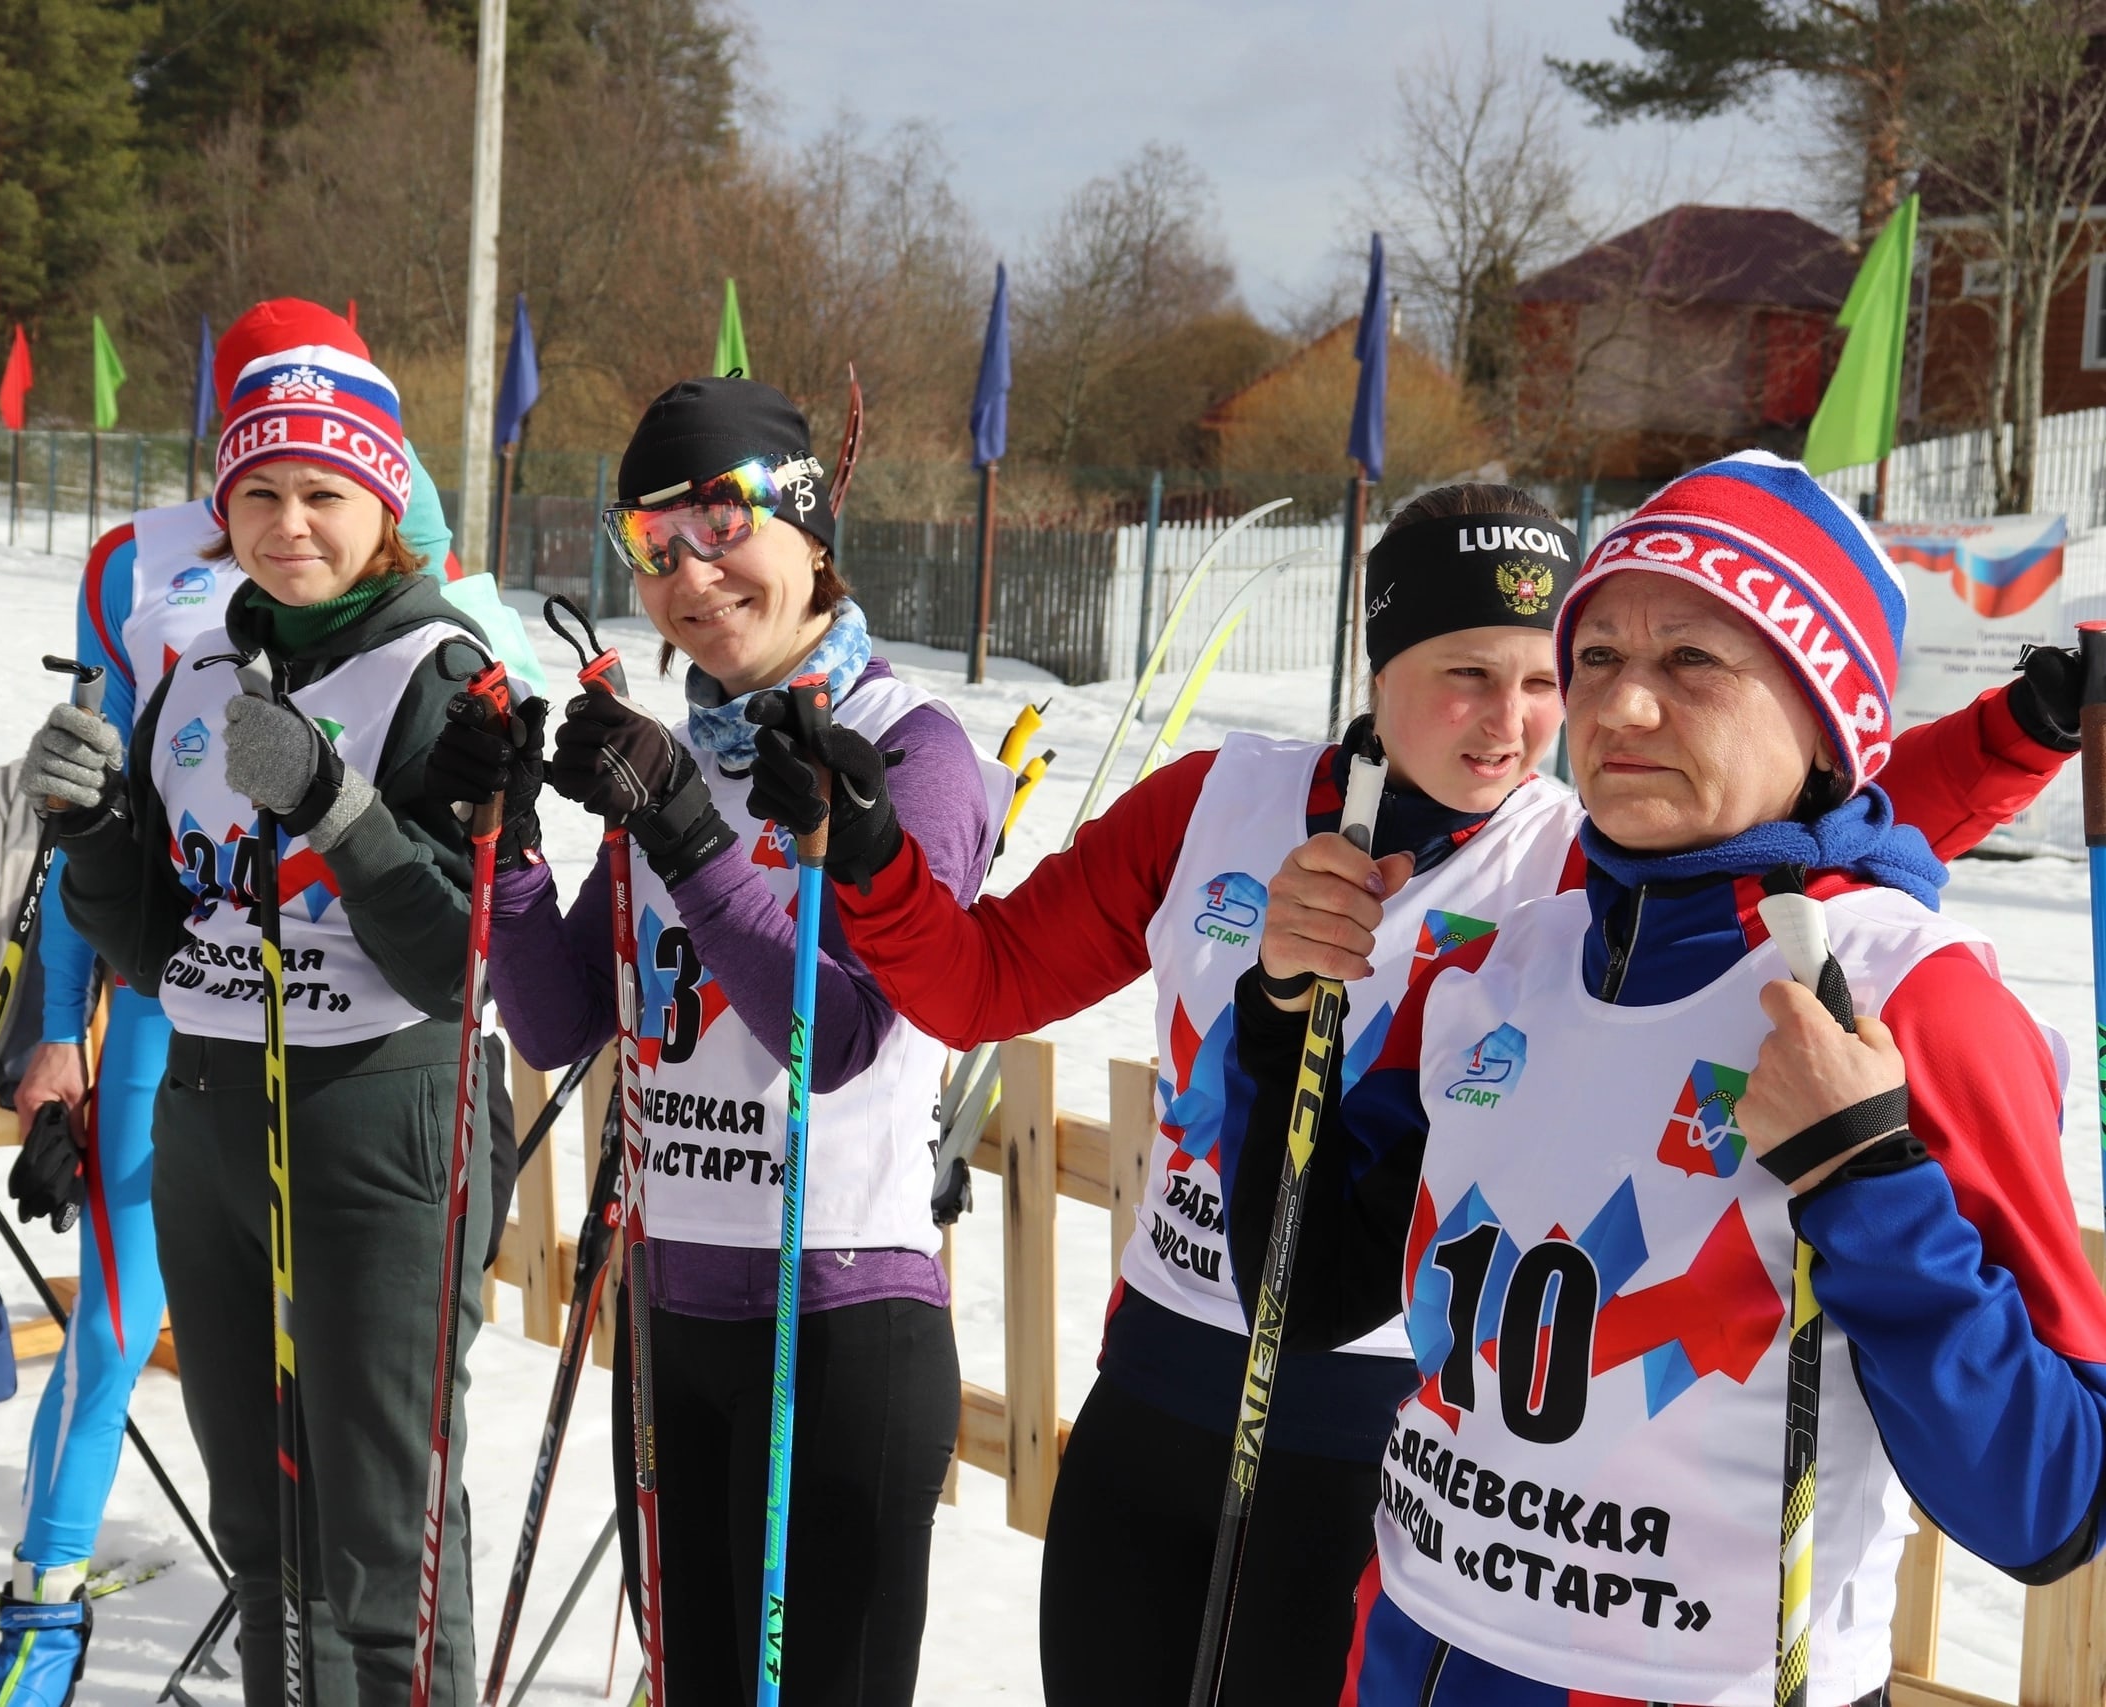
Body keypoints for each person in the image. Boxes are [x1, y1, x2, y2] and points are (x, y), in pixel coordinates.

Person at [793, 479, 2078, 1704]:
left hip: (1389, 1442)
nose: (1522, 723)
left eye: (1537, 680)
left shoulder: (1566, 864)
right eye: (1474, 672)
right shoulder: (1235, 808)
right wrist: (872, 857)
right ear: (1378, 665)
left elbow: (1814, 814)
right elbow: (987, 982)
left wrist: (2022, 731)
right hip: (1191, 1388)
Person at [1228, 450, 2106, 1706]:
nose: (1620, 709)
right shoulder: (1502, 963)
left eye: (1694, 661)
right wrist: (1278, 1019)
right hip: (1413, 1652)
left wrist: (1871, 1183)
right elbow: (1301, 1299)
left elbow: (2049, 1502)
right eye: (1596, 659)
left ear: (1823, 716)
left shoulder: (1910, 998)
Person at [429, 375, 1010, 1706]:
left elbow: (847, 1028)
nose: (692, 573)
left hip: (842, 1311)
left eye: (722, 520)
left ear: (810, 530)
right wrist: (506, 844)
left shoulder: (908, 750)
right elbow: (566, 1015)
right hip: (675, 1307)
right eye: (654, 541)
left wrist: (687, 829)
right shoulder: (677, 752)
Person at [0, 299, 483, 1707]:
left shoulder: (436, 673)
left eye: (326, 493)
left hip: (378, 1110)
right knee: (260, 1534)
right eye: (259, 492)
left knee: (382, 1546)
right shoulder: (197, 670)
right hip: (210, 1102)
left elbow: (461, 960)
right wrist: (92, 830)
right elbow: (152, 937)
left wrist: (339, 806)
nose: (291, 523)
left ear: (384, 508)